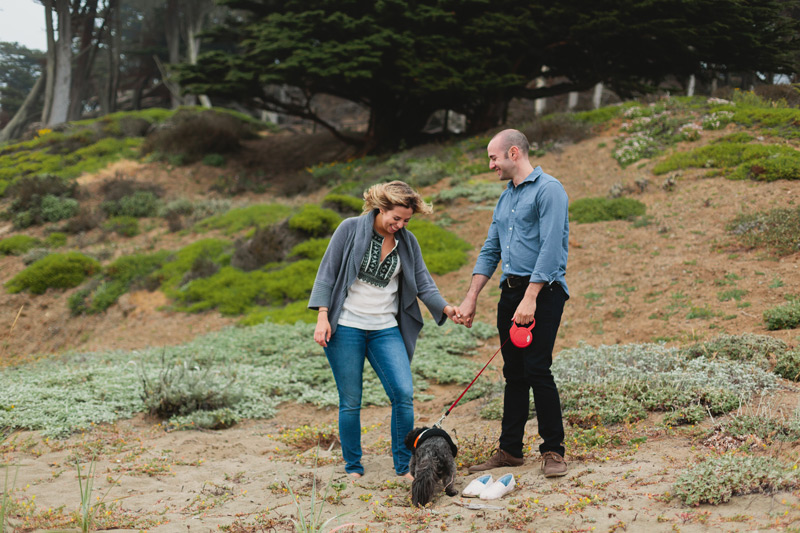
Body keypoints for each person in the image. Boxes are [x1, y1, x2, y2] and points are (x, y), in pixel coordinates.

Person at [309, 180, 458, 479]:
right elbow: (326, 273)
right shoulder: (349, 229)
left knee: (403, 393)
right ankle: (353, 467)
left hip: (386, 328)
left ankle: (404, 466)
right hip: (346, 327)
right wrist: (323, 316)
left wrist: (445, 308)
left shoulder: (408, 242)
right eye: (396, 218)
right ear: (380, 208)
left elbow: (424, 282)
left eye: (406, 220)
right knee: (351, 401)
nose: (400, 225)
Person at [457, 129, 570, 478]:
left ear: (514, 153)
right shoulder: (506, 198)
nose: (491, 165)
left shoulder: (549, 190)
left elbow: (551, 248)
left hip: (543, 292)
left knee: (537, 369)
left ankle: (553, 450)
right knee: (513, 373)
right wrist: (472, 297)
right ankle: (510, 450)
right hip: (510, 293)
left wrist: (531, 298)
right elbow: (491, 248)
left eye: (494, 158)